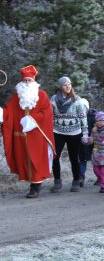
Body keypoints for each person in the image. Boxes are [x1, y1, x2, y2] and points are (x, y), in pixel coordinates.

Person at [0, 65, 55, 198]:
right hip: (20, 136)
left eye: (29, 81)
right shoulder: (16, 96)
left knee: (36, 160)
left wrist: (32, 120)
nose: (26, 83)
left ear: (34, 81)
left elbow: (47, 113)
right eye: (24, 81)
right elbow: (9, 112)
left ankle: (35, 187)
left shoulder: (41, 95)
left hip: (36, 135)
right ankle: (32, 185)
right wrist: (1, 112)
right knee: (24, 160)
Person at [50, 76, 89, 193]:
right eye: (65, 85)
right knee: (55, 156)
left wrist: (85, 133)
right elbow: (49, 114)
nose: (68, 87)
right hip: (58, 131)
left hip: (74, 132)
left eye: (69, 84)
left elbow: (83, 117)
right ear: (60, 87)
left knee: (73, 157)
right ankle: (57, 181)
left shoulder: (77, 100)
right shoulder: (53, 99)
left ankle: (76, 181)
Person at [88, 111, 104, 193]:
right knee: (96, 170)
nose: (98, 122)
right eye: (97, 121)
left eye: (101, 121)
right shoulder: (94, 130)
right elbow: (91, 139)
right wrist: (88, 140)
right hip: (96, 153)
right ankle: (101, 179)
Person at [78, 98, 97, 187]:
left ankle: (101, 177)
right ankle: (81, 177)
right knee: (82, 159)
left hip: (93, 142)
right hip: (80, 141)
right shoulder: (76, 116)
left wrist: (93, 137)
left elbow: (99, 128)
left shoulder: (93, 116)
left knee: (96, 160)